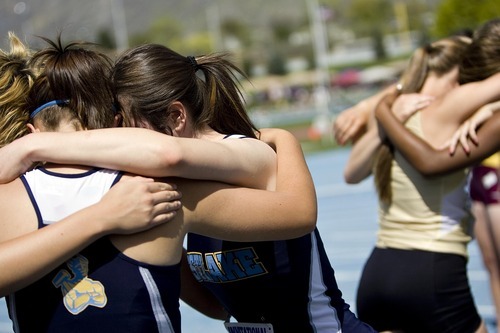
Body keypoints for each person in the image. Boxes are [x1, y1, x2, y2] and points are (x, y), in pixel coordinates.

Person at [0, 42, 376, 332]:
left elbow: (167, 154)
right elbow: (215, 305)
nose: (124, 144)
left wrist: (31, 147)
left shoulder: (239, 155)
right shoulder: (157, 189)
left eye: (126, 129)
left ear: (176, 116)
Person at [343, 33, 494, 332]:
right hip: (433, 269)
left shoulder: (396, 109)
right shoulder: (449, 106)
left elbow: (351, 174)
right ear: (460, 73)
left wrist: (383, 107)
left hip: (379, 271)